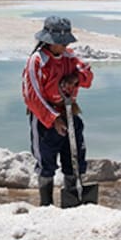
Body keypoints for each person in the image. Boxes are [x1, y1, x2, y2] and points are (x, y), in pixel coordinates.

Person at [22, 16, 94, 206]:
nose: (63, 46)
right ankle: (46, 204)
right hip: (45, 120)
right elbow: (32, 97)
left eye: (65, 42)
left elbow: (88, 76)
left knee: (75, 158)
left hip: (70, 113)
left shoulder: (70, 57)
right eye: (60, 43)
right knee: (46, 163)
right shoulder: (36, 61)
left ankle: (73, 199)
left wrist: (75, 78)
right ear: (48, 41)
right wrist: (53, 120)